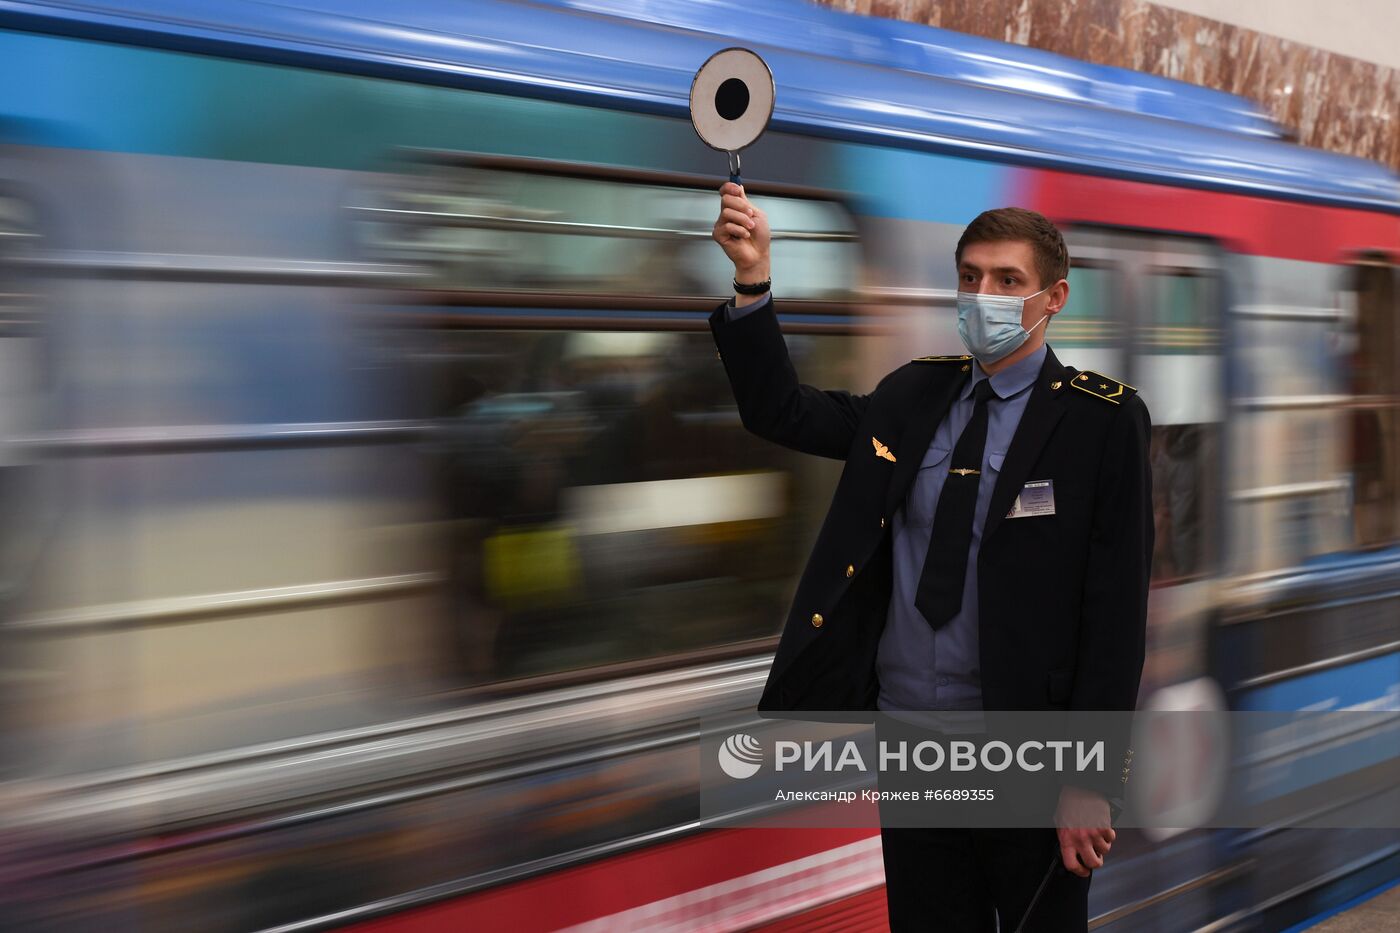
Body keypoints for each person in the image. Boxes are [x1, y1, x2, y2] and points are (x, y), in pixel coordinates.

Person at [708, 182, 1153, 931]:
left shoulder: (1101, 421)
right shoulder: (913, 396)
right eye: (970, 277)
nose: (984, 297)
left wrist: (1091, 778)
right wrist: (753, 281)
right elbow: (780, 411)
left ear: (1054, 297)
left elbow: (1115, 614)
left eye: (1007, 280)